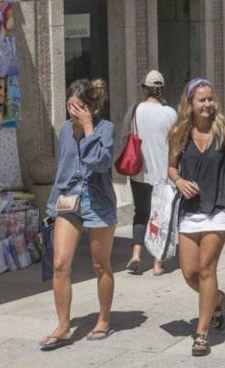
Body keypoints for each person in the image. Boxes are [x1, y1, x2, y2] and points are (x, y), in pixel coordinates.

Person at [167, 78, 225, 357]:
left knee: (206, 268)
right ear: (190, 103)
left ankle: (201, 333)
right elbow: (171, 168)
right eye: (201, 99)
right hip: (190, 209)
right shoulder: (179, 132)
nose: (207, 104)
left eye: (210, 99)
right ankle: (217, 299)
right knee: (189, 272)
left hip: (218, 207)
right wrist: (178, 181)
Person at [41, 79, 117, 350]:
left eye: (80, 106)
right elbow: (63, 168)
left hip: (98, 201)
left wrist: (87, 129)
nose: (73, 111)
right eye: (70, 105)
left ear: (92, 108)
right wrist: (52, 207)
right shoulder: (63, 130)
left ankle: (104, 319)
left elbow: (100, 162)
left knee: (101, 265)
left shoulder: (105, 128)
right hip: (68, 202)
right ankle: (63, 326)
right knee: (61, 263)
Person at [122, 70, 177, 275]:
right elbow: (176, 144)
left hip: (139, 172)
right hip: (163, 174)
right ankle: (157, 263)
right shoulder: (171, 113)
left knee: (141, 213)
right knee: (160, 217)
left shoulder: (136, 110)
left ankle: (136, 255)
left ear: (145, 89)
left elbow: (125, 136)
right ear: (162, 89)